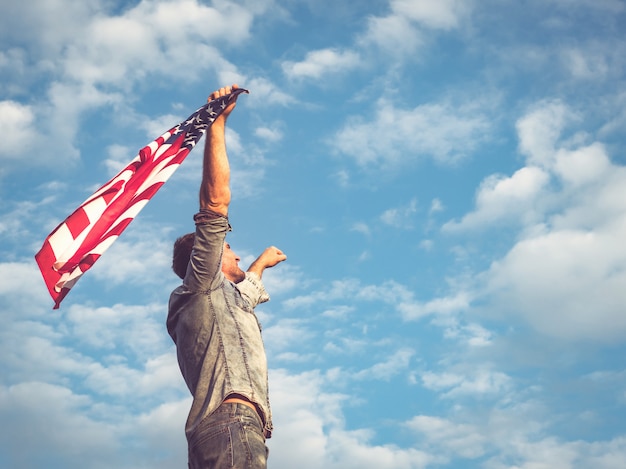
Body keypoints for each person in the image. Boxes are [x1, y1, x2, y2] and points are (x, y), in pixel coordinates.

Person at [167, 84, 287, 469]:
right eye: (230, 248)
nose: (236, 250)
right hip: (231, 425)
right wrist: (217, 123)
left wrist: (260, 264)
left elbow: (246, 292)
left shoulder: (221, 299)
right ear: (211, 254)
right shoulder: (201, 284)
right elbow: (215, 202)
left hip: (229, 429)